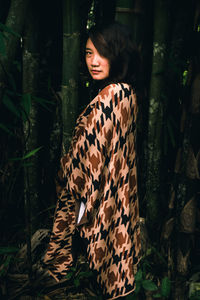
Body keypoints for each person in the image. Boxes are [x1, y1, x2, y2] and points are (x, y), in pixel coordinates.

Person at [43, 22, 141, 300]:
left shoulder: (112, 95)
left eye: (102, 53)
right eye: (88, 53)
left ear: (119, 54)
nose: (93, 61)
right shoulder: (128, 92)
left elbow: (90, 154)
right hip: (111, 192)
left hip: (93, 190)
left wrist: (66, 171)